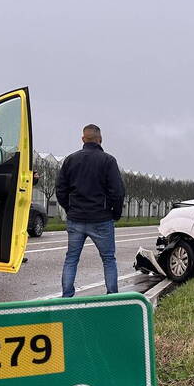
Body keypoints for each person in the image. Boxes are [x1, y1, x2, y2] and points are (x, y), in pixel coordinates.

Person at [56, 124, 126, 296]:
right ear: (100, 140)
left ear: (83, 139)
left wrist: (69, 208)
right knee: (108, 259)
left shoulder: (70, 160)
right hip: (101, 219)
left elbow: (60, 189)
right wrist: (114, 213)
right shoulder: (108, 161)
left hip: (76, 218)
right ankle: (112, 297)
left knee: (71, 259)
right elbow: (117, 191)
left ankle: (66, 297)